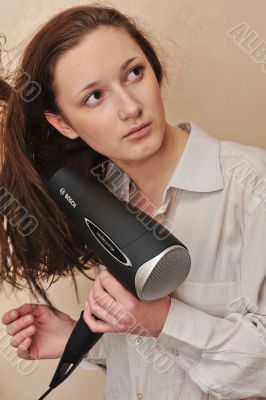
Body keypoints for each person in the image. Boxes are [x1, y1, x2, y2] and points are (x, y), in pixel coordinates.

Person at [1, 4, 266, 400]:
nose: (130, 107)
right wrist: (83, 340)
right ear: (63, 123)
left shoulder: (252, 187)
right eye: (94, 96)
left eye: (134, 73)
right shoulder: (100, 197)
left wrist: (160, 319)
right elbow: (163, 367)